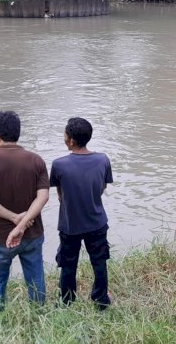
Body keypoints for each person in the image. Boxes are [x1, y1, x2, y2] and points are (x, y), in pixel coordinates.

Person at [0, 111, 49, 310]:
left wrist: (14, 218)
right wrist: (23, 224)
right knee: (36, 280)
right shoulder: (36, 160)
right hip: (31, 234)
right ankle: (39, 319)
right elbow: (43, 197)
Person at [50, 117, 113, 310]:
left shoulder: (59, 164)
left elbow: (60, 194)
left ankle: (67, 300)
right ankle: (101, 299)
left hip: (70, 225)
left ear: (71, 141)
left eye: (65, 135)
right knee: (99, 262)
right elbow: (102, 186)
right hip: (97, 222)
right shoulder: (103, 159)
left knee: (68, 264)